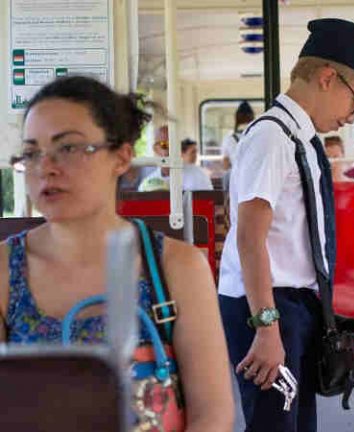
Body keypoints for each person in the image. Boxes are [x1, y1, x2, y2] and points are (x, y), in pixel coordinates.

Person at [0, 76, 233, 430]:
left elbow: (212, 413)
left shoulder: (176, 267)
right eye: (32, 153)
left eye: (69, 148)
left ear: (122, 157)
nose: (46, 167)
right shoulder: (5, 271)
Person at [218, 18, 354, 432]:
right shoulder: (271, 138)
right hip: (263, 304)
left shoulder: (303, 139)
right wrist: (266, 327)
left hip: (293, 304)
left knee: (296, 423)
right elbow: (249, 236)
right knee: (273, 424)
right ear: (329, 78)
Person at [139, 129, 213, 192]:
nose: (171, 148)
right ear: (156, 149)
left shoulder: (198, 174)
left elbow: (211, 205)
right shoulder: (147, 184)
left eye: (175, 144)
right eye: (165, 145)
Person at [222, 101, 255, 171]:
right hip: (255, 177)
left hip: (236, 178)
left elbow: (225, 165)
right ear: (252, 118)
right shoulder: (257, 136)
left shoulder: (228, 138)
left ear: (236, 118)